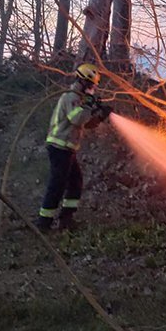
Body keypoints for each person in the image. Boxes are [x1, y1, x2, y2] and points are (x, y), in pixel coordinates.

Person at [37, 63, 112, 232]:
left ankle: (66, 219)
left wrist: (100, 115)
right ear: (83, 81)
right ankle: (44, 223)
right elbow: (77, 119)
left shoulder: (80, 99)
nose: (93, 88)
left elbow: (86, 123)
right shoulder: (70, 97)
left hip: (67, 149)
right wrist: (89, 105)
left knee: (75, 182)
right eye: (91, 84)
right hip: (59, 146)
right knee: (58, 184)